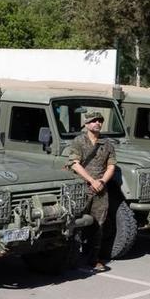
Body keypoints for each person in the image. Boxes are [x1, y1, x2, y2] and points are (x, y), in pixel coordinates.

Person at [66, 108, 118, 272]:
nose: (98, 123)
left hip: (100, 189)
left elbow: (111, 166)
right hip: (81, 188)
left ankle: (93, 259)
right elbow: (74, 163)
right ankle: (71, 257)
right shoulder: (78, 141)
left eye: (100, 120)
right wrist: (91, 180)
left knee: (98, 225)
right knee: (75, 223)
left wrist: (101, 181)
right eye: (94, 120)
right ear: (86, 124)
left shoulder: (107, 143)